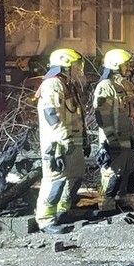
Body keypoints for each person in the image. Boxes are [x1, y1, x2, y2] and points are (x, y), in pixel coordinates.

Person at [35, 48, 89, 234]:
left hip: (72, 141)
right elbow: (52, 114)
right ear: (65, 65)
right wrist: (63, 138)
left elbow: (77, 115)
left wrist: (84, 139)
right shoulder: (52, 84)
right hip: (57, 143)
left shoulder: (67, 85)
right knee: (55, 180)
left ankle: (62, 212)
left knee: (75, 175)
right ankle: (45, 220)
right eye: (76, 66)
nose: (78, 69)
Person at [93, 48, 134, 214]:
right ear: (116, 65)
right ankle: (106, 210)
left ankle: (127, 208)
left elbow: (133, 113)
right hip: (114, 142)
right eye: (126, 65)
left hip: (129, 141)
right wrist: (110, 141)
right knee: (112, 177)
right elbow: (103, 117)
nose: (129, 68)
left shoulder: (127, 86)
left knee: (131, 176)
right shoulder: (105, 87)